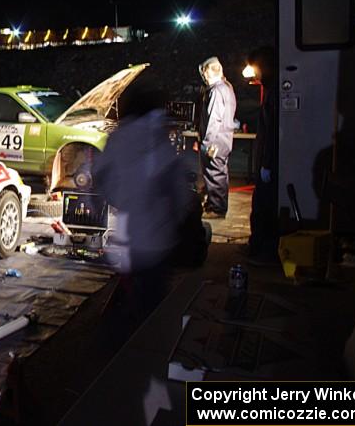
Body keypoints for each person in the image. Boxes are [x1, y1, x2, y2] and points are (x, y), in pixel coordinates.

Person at [94, 79, 189, 320]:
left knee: (130, 293)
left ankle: (122, 340)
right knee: (153, 302)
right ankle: (147, 345)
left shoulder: (117, 138)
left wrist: (121, 201)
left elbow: (101, 178)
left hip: (126, 234)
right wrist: (177, 219)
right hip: (157, 237)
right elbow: (177, 190)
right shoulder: (158, 139)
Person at [246, 46, 278, 261]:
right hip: (267, 161)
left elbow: (273, 131)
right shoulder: (270, 90)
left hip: (270, 162)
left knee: (264, 208)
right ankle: (258, 246)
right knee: (260, 207)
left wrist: (267, 163)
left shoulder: (274, 92)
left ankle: (263, 250)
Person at [196, 56, 237, 219]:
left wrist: (207, 143)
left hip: (215, 142)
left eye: (204, 73)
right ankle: (214, 204)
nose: (204, 77)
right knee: (219, 173)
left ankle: (217, 208)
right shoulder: (227, 87)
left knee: (215, 174)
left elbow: (214, 119)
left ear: (209, 71)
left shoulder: (216, 90)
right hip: (224, 140)